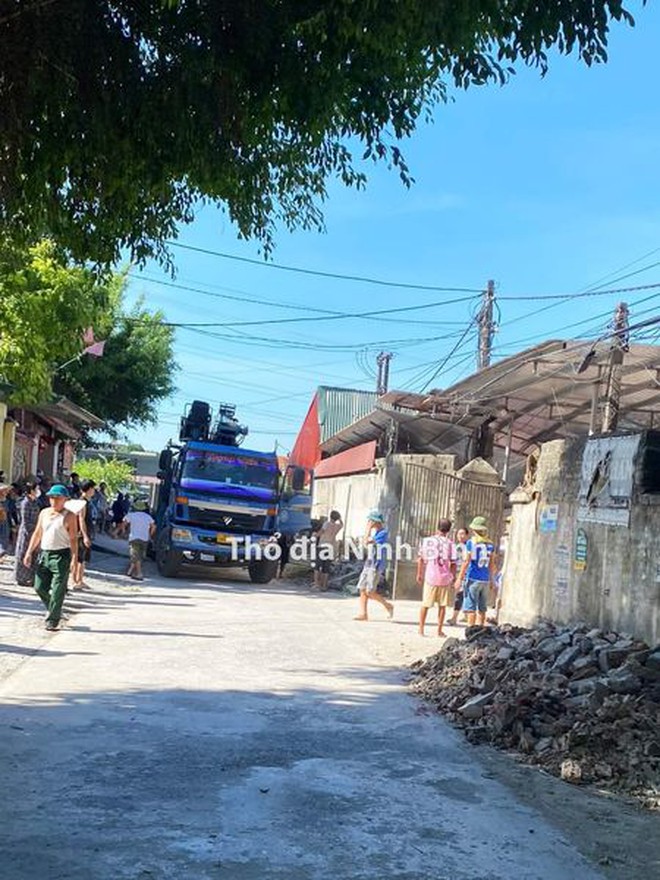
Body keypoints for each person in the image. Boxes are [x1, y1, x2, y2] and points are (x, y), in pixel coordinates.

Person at [23, 484, 78, 631]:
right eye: (51, 498)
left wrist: (74, 559)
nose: (54, 501)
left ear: (65, 499)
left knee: (58, 589)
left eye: (57, 498)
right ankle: (55, 610)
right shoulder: (44, 513)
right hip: (45, 553)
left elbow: (73, 539)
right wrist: (29, 552)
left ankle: (53, 620)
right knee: (39, 587)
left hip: (61, 555)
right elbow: (37, 533)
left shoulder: (70, 516)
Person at [416, 518, 457, 636]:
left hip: (431, 577)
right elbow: (453, 563)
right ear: (449, 530)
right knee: (442, 606)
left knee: (425, 604)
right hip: (444, 578)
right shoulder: (451, 544)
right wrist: (452, 577)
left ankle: (421, 629)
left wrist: (419, 574)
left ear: (437, 527)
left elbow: (420, 559)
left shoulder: (427, 541)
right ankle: (439, 630)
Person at [454, 516, 497, 628]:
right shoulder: (490, 545)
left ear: (474, 529)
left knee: (471, 608)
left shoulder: (471, 543)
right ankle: (480, 631)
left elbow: (466, 561)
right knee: (482, 608)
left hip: (473, 578)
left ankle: (471, 630)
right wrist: (492, 580)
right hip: (485, 580)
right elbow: (492, 564)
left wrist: (459, 578)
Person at [354, 511, 393, 621]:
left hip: (376, 565)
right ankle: (363, 613)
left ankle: (387, 605)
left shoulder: (383, 533)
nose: (369, 522)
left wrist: (368, 528)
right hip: (369, 563)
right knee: (362, 588)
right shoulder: (376, 533)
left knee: (369, 592)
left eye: (371, 521)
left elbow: (366, 542)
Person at [14, 481, 41, 586]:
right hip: (26, 533)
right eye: (36, 489)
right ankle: (21, 578)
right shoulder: (25, 503)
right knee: (23, 554)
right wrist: (33, 529)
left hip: (35, 532)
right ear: (31, 491)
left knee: (34, 556)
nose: (38, 491)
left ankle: (31, 578)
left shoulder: (35, 502)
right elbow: (25, 521)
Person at [121, 499, 155, 580]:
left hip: (134, 538)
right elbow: (154, 526)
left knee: (135, 556)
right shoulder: (148, 517)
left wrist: (124, 532)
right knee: (139, 556)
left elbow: (123, 524)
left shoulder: (131, 515)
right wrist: (150, 535)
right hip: (144, 538)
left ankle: (139, 574)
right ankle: (130, 571)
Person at [71, 479, 96, 589]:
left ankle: (80, 579)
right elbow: (81, 519)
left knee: (83, 558)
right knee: (78, 558)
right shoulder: (82, 502)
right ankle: (75, 580)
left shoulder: (86, 501)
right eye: (93, 488)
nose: (94, 490)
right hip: (81, 533)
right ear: (89, 489)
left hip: (86, 532)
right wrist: (85, 536)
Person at [313, 510, 343, 591]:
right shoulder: (337, 526)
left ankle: (316, 584)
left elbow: (321, 532)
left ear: (330, 516)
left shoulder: (326, 524)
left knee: (317, 566)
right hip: (331, 547)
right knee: (326, 567)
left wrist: (315, 535)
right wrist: (339, 518)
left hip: (322, 546)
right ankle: (324, 585)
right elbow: (342, 524)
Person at [446, 526, 469, 627]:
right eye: (459, 534)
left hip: (465, 573)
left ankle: (454, 618)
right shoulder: (456, 546)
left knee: (460, 595)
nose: (460, 536)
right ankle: (465, 615)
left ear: (467, 535)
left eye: (463, 533)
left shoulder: (469, 546)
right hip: (458, 572)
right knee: (462, 594)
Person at [0, 483, 11, 562]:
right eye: (4, 491)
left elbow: (8, 513)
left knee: (4, 538)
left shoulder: (6, 501)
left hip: (4, 522)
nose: (6, 492)